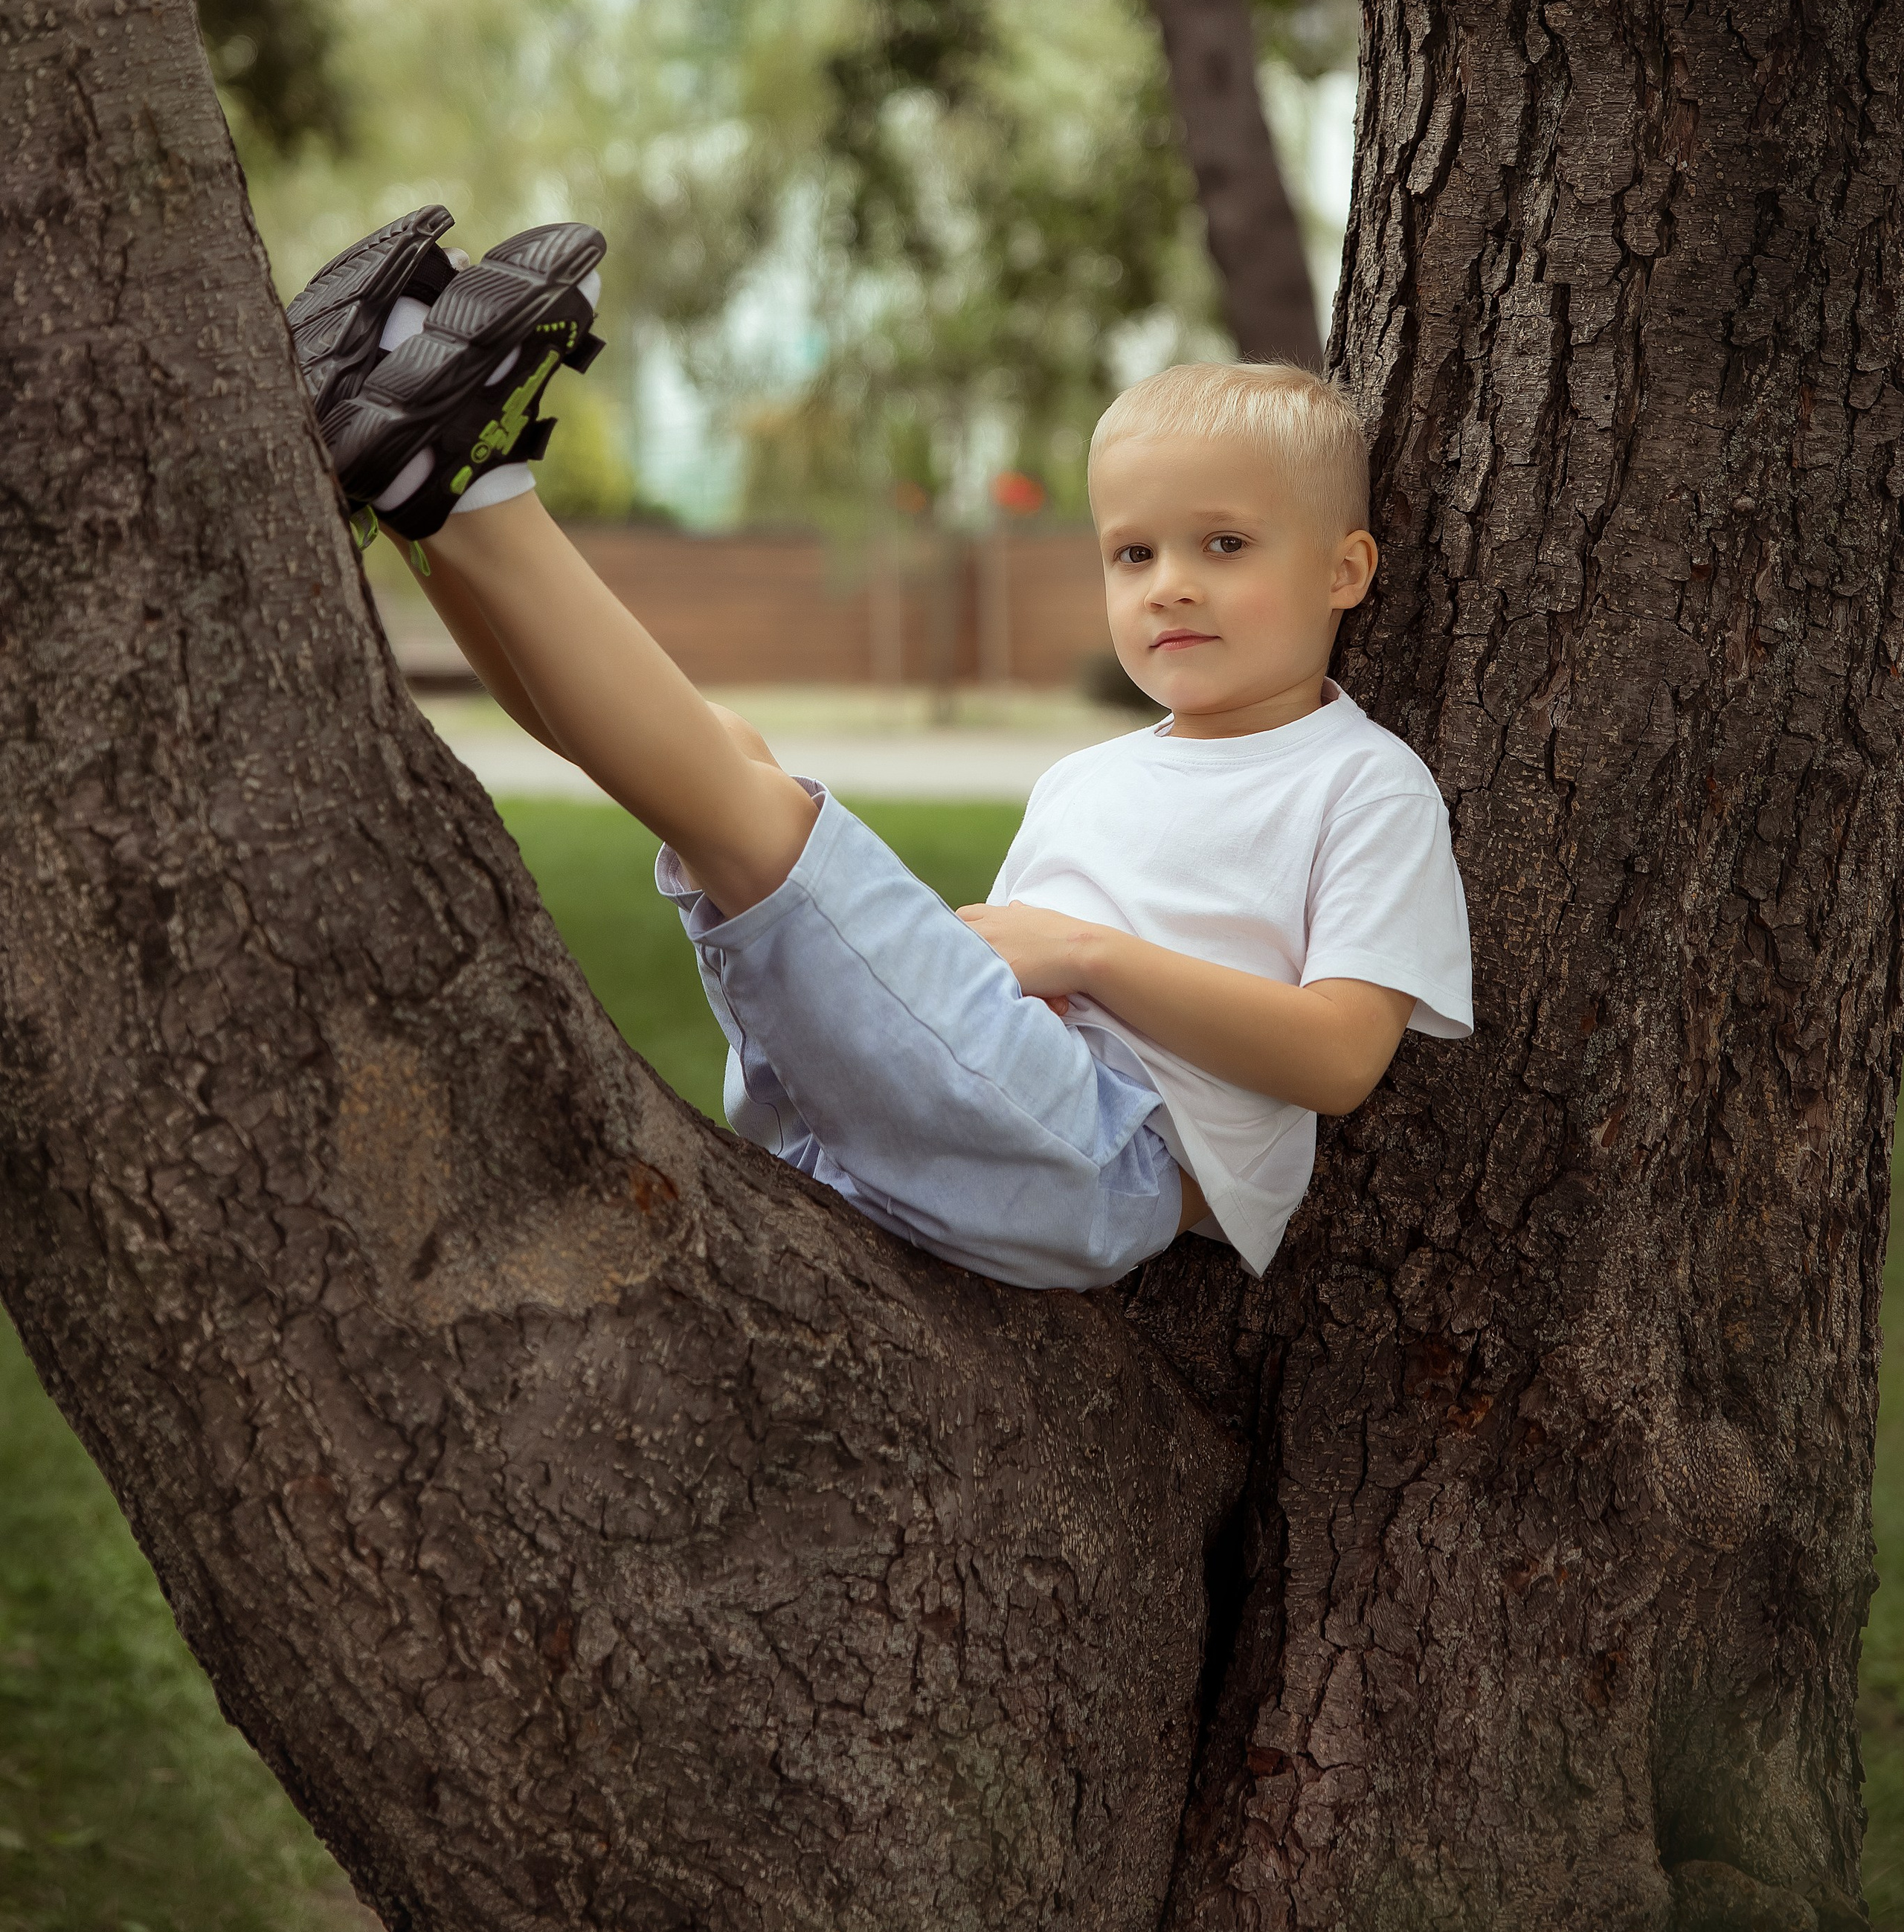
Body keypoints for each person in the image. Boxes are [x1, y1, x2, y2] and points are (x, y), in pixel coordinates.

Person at [287, 210, 1473, 1291]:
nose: (1170, 587)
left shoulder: (1363, 780)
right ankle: (421, 501)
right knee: (727, 766)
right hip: (945, 1123)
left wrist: (1081, 953)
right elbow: (993, 995)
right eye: (1132, 555)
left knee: (758, 827)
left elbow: (1338, 1058)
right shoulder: (1092, 776)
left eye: (1223, 544)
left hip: (1103, 1165)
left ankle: (467, 479)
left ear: (1344, 571)